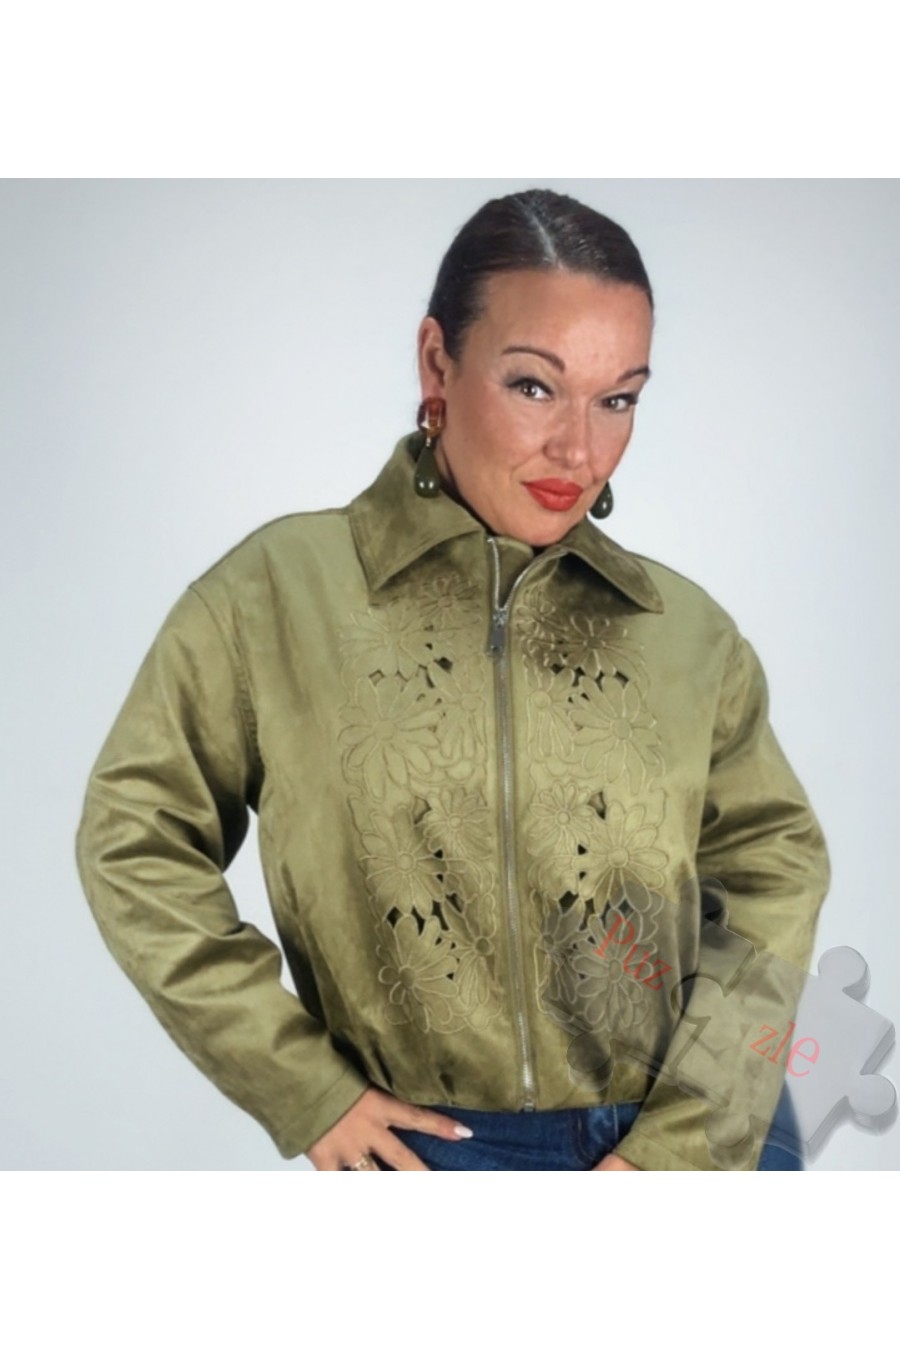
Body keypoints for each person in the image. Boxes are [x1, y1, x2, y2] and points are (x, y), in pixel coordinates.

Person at [74, 188, 831, 1171]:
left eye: (618, 399)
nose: (579, 448)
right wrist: (303, 1085)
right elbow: (133, 837)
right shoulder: (275, 598)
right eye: (534, 386)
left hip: (699, 1146)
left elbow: (776, 869)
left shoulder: (685, 633)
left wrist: (686, 1144)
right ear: (438, 362)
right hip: (436, 1150)